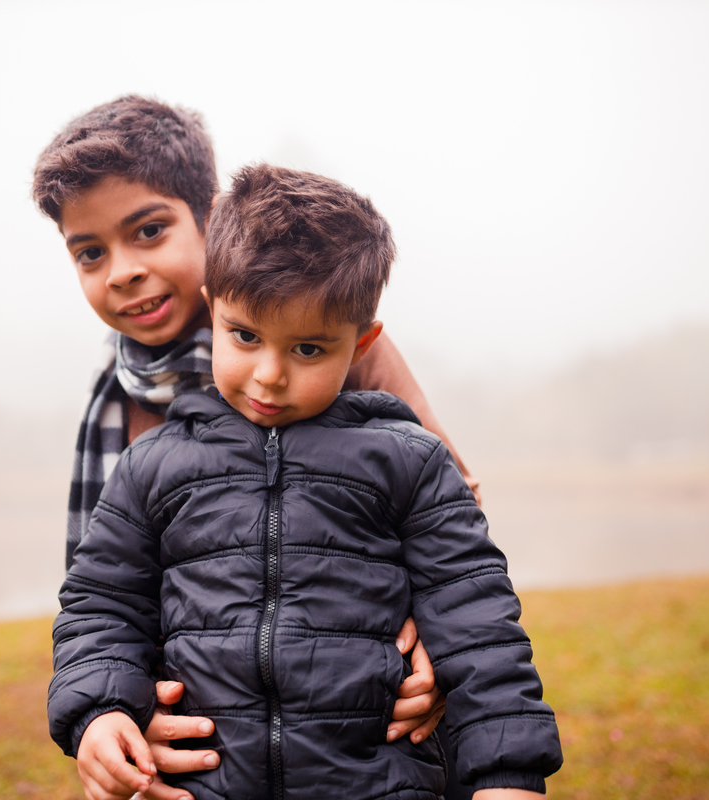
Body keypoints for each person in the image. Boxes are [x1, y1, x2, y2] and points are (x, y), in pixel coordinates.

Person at [48, 165, 563, 800]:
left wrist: (506, 776)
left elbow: (479, 621)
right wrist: (100, 710)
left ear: (362, 341)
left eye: (309, 350)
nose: (269, 375)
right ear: (216, 311)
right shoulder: (152, 464)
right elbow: (102, 603)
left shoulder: (408, 462)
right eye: (245, 336)